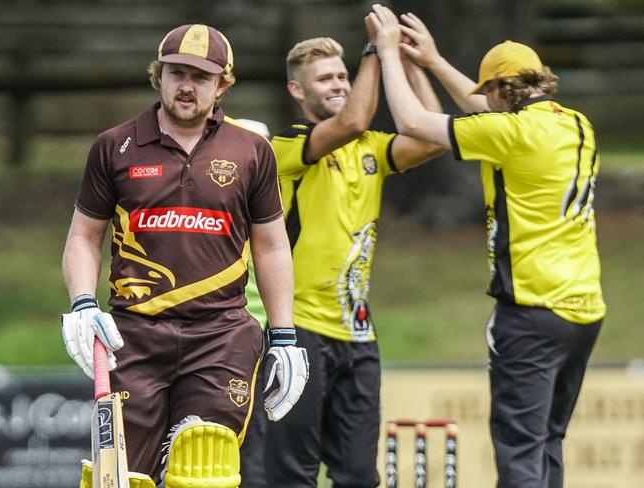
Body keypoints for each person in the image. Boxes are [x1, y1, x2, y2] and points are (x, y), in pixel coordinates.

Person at [60, 24, 308, 488]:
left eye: (201, 76)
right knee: (120, 477)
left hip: (221, 336)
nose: (187, 86)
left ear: (223, 86)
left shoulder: (252, 150)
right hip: (132, 335)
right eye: (177, 73)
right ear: (159, 76)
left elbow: (272, 246)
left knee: (205, 466)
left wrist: (285, 336)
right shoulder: (115, 146)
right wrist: (81, 303)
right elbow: (83, 237)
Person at [369, 5, 606, 488]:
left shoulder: (510, 133)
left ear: (502, 91)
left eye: (490, 92)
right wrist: (433, 62)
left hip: (533, 312)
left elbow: (413, 122)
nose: (486, 102)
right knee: (546, 441)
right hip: (584, 311)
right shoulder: (576, 124)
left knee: (518, 450)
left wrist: (391, 55)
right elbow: (486, 113)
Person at [256, 17, 445, 488]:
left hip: (358, 335)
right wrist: (373, 52)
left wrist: (413, 63)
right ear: (297, 90)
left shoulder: (371, 149)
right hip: (298, 333)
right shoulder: (286, 146)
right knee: (291, 474)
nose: (339, 83)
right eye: (326, 78)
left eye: (342, 75)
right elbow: (353, 119)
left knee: (359, 475)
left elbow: (430, 137)